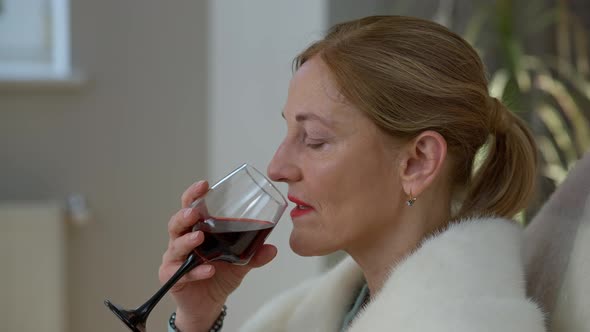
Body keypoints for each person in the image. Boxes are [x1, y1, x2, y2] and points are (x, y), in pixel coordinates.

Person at [160, 15, 546, 331]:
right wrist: (197, 318)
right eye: (288, 131)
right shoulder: (338, 312)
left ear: (417, 162)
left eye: (313, 139)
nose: (277, 168)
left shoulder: (465, 324)